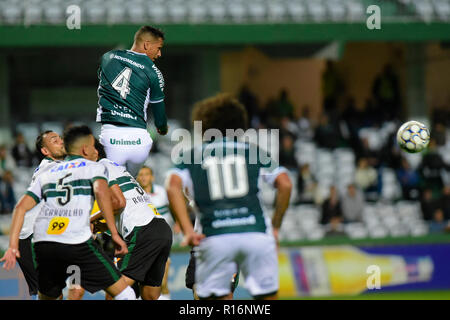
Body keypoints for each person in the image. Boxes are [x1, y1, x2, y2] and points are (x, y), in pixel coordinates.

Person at [166, 93, 292, 300]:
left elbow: (172, 187)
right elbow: (285, 184)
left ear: (205, 125)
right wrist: (276, 227)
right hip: (255, 232)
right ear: (239, 124)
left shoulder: (192, 154)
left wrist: (187, 229)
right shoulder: (253, 150)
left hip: (215, 236)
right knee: (267, 297)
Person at [0, 125, 135, 300]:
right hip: (31, 238)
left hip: (56, 237)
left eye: (61, 139)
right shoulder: (47, 168)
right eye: (54, 141)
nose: (60, 142)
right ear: (45, 151)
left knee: (69, 292)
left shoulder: (62, 168)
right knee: (53, 295)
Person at [91, 141, 173, 300]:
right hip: (161, 228)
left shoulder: (100, 169)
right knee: (150, 296)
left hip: (143, 230)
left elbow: (118, 203)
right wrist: (97, 225)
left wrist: (90, 219)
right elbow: (121, 210)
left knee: (115, 290)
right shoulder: (117, 168)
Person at [96, 25, 168, 177]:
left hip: (111, 138)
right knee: (131, 185)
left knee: (110, 188)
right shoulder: (155, 73)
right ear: (147, 45)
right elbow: (159, 114)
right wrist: (162, 128)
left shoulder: (108, 57)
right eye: (159, 48)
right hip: (139, 141)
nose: (159, 54)